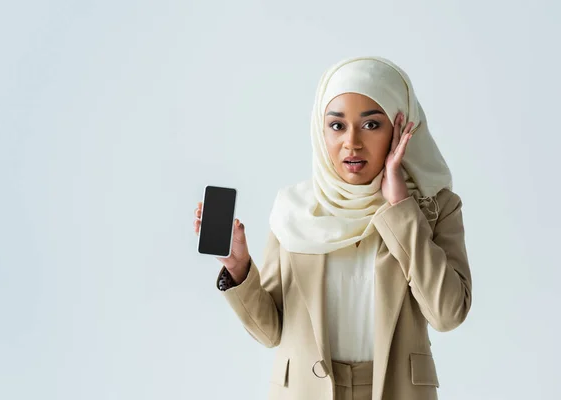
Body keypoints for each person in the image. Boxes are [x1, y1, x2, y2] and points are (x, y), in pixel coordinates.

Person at [193, 56, 472, 400]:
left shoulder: (434, 207)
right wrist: (238, 267)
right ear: (319, 129)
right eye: (337, 126)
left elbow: (448, 314)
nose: (351, 142)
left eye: (371, 125)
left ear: (402, 129)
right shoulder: (295, 211)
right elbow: (269, 331)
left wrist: (400, 207)